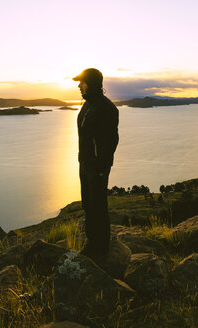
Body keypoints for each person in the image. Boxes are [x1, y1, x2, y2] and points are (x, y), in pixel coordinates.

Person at [73, 68, 119, 261]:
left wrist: (101, 168)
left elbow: (111, 141)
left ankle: (101, 248)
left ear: (91, 83)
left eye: (82, 82)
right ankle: (92, 243)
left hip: (97, 167)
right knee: (88, 204)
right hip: (85, 163)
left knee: (98, 205)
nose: (78, 86)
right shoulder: (88, 105)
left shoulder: (106, 108)